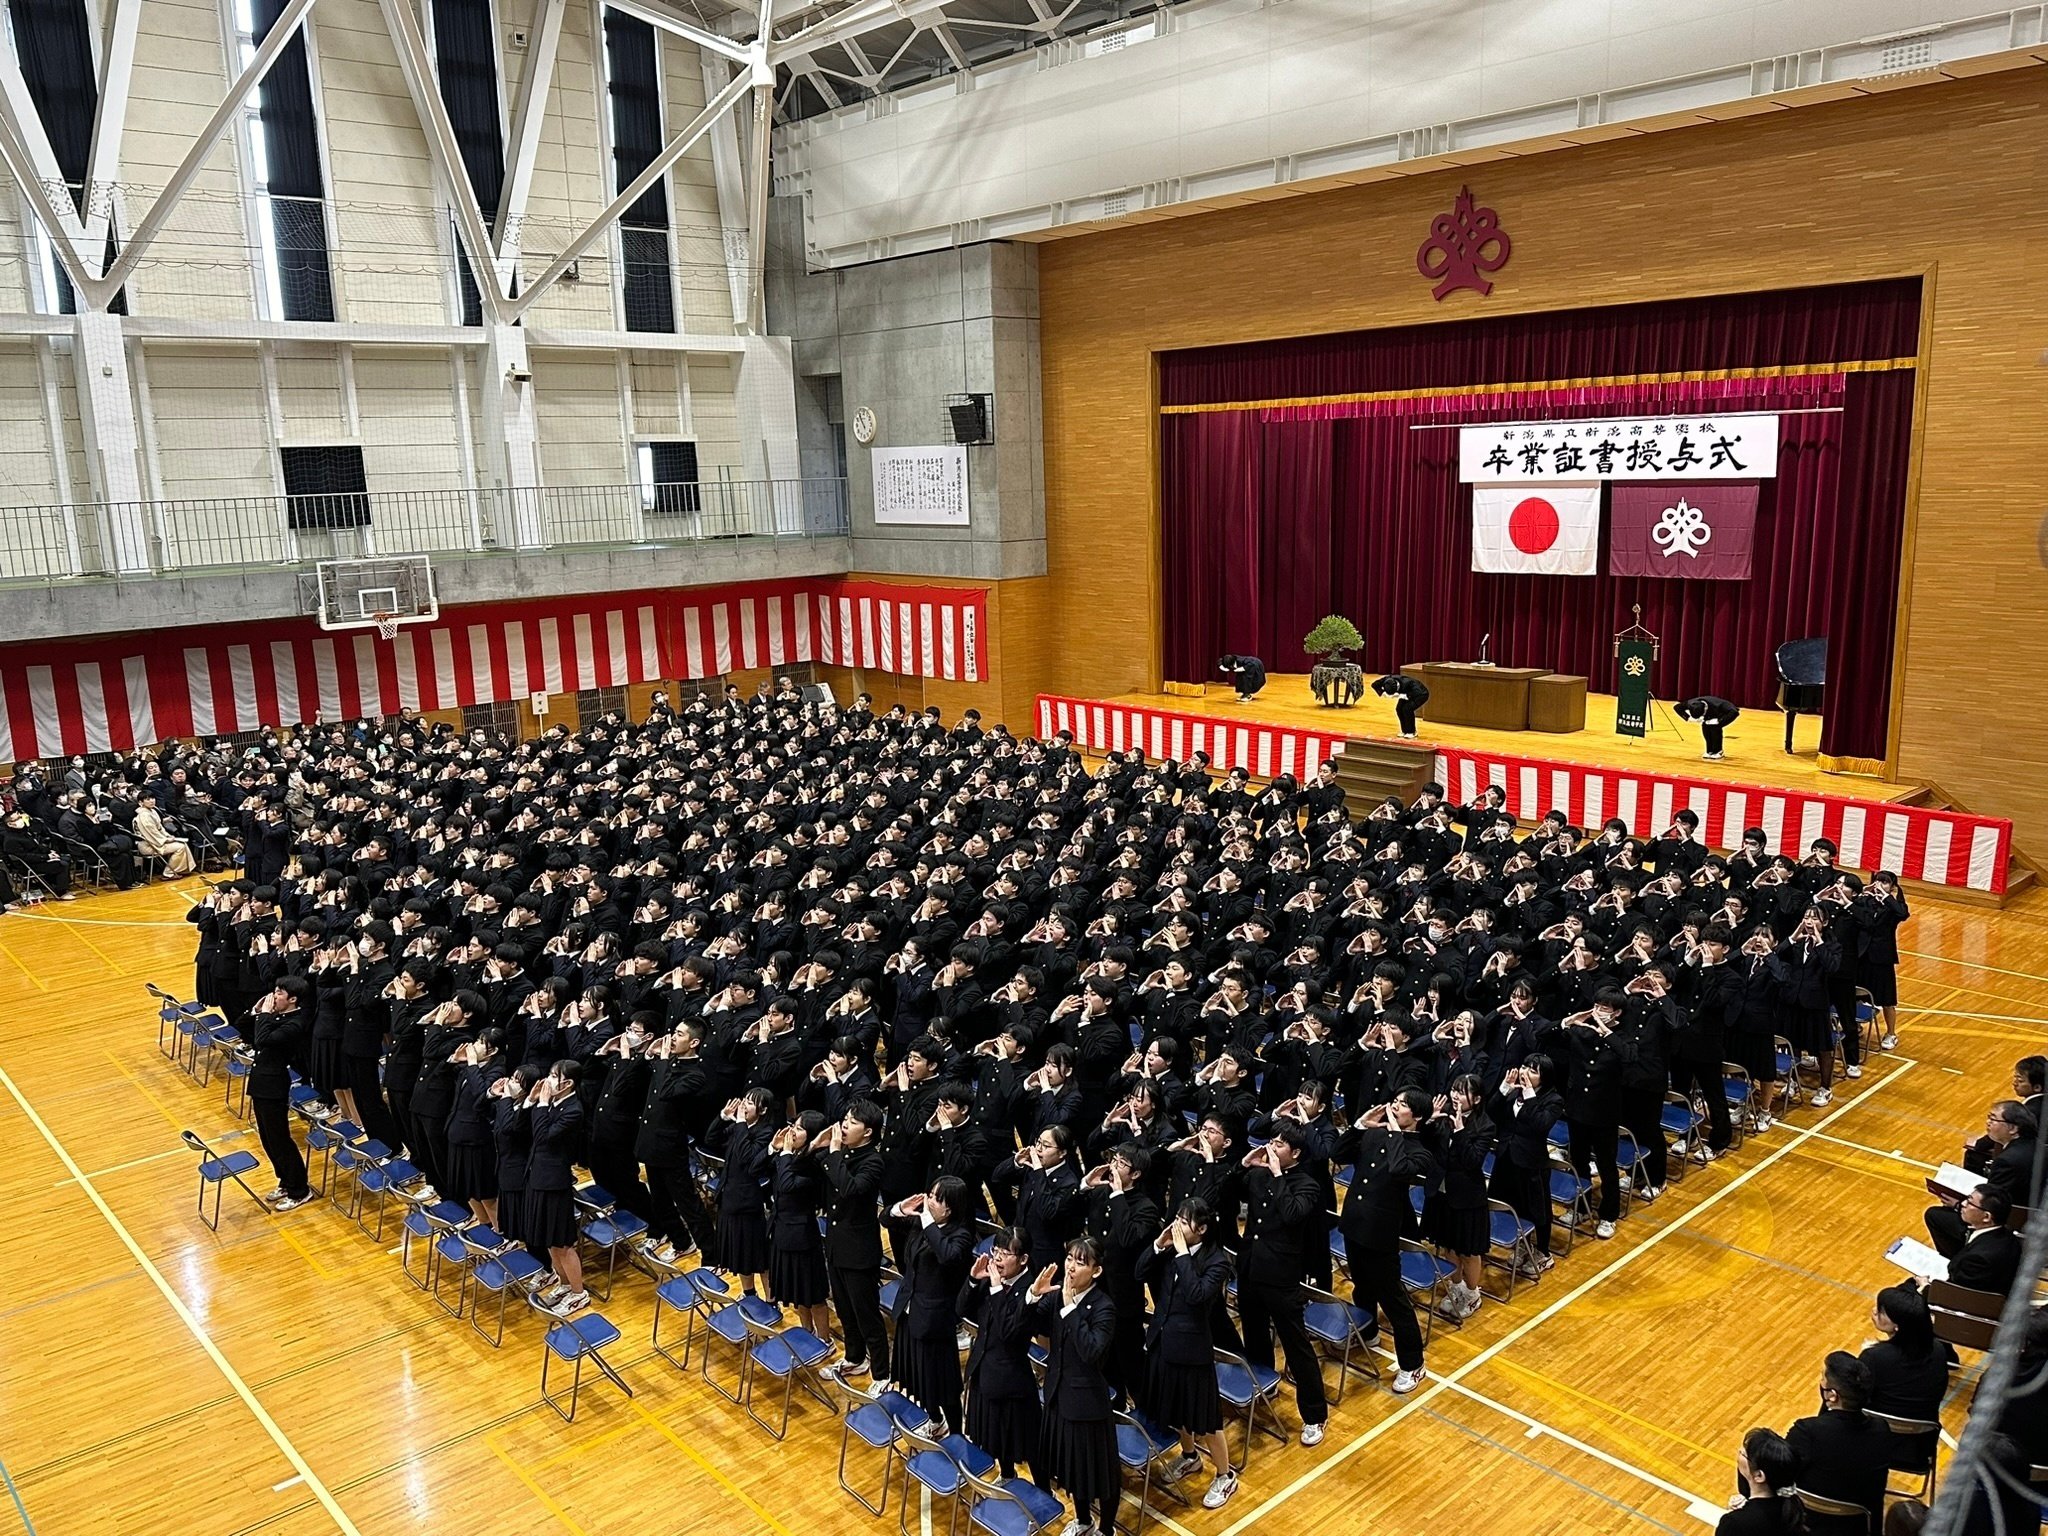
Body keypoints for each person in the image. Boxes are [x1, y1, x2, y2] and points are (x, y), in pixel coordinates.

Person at [1333, 1089, 1439, 1394]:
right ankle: (1368, 1333)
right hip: (1355, 1223)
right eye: (1396, 1101)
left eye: (1403, 1105)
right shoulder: (1375, 1135)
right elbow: (1338, 1155)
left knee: (1393, 1299)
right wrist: (1358, 1126)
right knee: (1361, 1286)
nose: (1395, 1106)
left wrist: (1394, 1133)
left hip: (1381, 1232)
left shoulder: (1419, 1151)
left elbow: (1399, 1169)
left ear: (1416, 1117)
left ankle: (1413, 1364)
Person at [1137, 1197, 1239, 1511]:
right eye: (1178, 1218)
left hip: (1193, 1351)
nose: (1177, 1225)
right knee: (1176, 1412)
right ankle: (1190, 1456)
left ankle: (1225, 1475)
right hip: (1163, 1342)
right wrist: (1158, 1244)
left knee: (1206, 1421)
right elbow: (1139, 1272)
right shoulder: (1170, 1251)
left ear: (1203, 1229)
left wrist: (1181, 1254)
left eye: (1185, 1221)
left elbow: (1197, 1296)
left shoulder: (1217, 1261)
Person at [1237, 1121, 1335, 1439]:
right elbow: (1227, 1194)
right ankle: (1264, 1389)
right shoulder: (1258, 1173)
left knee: (1296, 1346)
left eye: (1280, 1144)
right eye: (1272, 1141)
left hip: (1281, 1276)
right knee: (1254, 1336)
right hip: (1251, 1269)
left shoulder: (1308, 1185)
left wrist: (1277, 1174)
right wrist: (1243, 1165)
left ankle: (1315, 1415)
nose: (1272, 1147)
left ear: (1294, 1153)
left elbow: (1293, 1213)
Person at [1027, 1236, 1119, 1536]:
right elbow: (1029, 1325)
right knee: (1071, 1468)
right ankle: (1082, 1520)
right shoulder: (1058, 1296)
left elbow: (1092, 1352)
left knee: (1100, 1475)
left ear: (1096, 1271)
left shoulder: (1104, 1307)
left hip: (1088, 1404)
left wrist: (1069, 1308)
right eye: (1070, 1259)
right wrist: (1032, 1296)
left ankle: (1106, 1530)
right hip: (1057, 1395)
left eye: (1080, 1262)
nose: (1071, 1267)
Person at [885, 1173, 976, 1433]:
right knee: (915, 1376)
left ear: (950, 1208)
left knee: (942, 1383)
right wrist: (899, 1209)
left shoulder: (961, 1235)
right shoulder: (922, 1222)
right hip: (909, 1310)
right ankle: (935, 1421)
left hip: (934, 1321)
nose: (929, 1200)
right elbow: (885, 1219)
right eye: (931, 1193)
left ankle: (957, 1434)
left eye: (936, 1198)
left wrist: (928, 1225)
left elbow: (948, 1257)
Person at [960, 1227, 1043, 1479]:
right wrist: (974, 1280)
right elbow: (961, 1309)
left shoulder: (1032, 1291)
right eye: (996, 1250)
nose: (997, 1258)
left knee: (1030, 1447)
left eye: (1006, 1253)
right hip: (984, 1371)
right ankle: (1007, 1475)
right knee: (994, 1440)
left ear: (1023, 1259)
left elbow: (1009, 1333)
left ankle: (1043, 1494)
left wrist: (996, 1289)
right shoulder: (991, 1279)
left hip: (1013, 1383)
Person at [819, 1100, 889, 1388]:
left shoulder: (873, 1161)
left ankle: (882, 1374)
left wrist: (833, 1152)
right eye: (845, 1118)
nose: (844, 1124)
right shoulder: (844, 1153)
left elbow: (849, 1189)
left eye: (853, 1121)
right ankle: (855, 1357)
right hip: (837, 1245)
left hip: (860, 1251)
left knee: (867, 1315)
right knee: (845, 1310)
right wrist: (817, 1147)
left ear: (868, 1132)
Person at [1785, 1352, 1891, 1534]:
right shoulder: (1882, 1429)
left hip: (1808, 1524)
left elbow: (1782, 1472)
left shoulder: (1807, 1431)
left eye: (1822, 1378)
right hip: (1858, 1527)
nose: (1820, 1382)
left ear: (1833, 1396)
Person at [1857, 1285, 1947, 1471]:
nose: (1875, 1311)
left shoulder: (1875, 1357)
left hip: (1872, 1443)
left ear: (1898, 1325)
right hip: (1918, 1446)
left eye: (1882, 1312)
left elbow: (1858, 1396)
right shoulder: (1937, 1349)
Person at [526, 1059, 590, 1316]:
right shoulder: (552, 1102)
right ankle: (563, 1283)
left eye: (554, 1076)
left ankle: (578, 1293)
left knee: (563, 1243)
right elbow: (530, 1131)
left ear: (568, 1083)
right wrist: (531, 1102)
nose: (548, 1080)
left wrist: (541, 1104)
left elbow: (544, 1136)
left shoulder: (573, 1110)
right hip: (537, 1176)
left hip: (555, 1182)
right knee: (550, 1241)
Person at [247, 975, 315, 1210]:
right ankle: (285, 1181)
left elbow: (262, 1040)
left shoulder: (296, 1022)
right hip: (260, 1082)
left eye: (279, 993)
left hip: (274, 1084)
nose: (274, 996)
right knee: (267, 1139)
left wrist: (265, 1016)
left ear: (293, 999)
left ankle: (300, 1189)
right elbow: (245, 1028)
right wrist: (257, 1011)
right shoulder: (276, 1016)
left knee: (280, 1139)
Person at [1924, 1186, 2023, 1296]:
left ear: (1986, 1217)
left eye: (1970, 1202)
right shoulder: (2008, 1235)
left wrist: (1925, 1287)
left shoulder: (1977, 1260)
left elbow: (1955, 1294)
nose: (1963, 1204)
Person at [1719, 1427, 1805, 1533]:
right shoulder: (1793, 1508)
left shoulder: (1734, 1523)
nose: (1739, 1451)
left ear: (1759, 1476)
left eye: (1744, 1454)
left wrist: (1738, 1516)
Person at [1675, 696, 1742, 761]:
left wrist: (1720, 722)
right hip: (1707, 717)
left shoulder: (1720, 704)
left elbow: (1734, 712)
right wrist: (1688, 718)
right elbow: (1677, 707)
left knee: (1714, 728)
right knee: (1705, 728)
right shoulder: (1691, 703)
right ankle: (1709, 750)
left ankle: (1718, 751)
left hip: (1720, 715)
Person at [1371, 673, 1430, 738]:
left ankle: (1412, 732)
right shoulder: (1387, 680)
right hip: (1405, 693)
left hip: (1420, 695)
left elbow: (1418, 693)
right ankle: (1404, 730)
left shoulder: (1409, 683)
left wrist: (1404, 695)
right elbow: (1374, 684)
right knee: (1399, 709)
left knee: (1407, 709)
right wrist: (1382, 693)